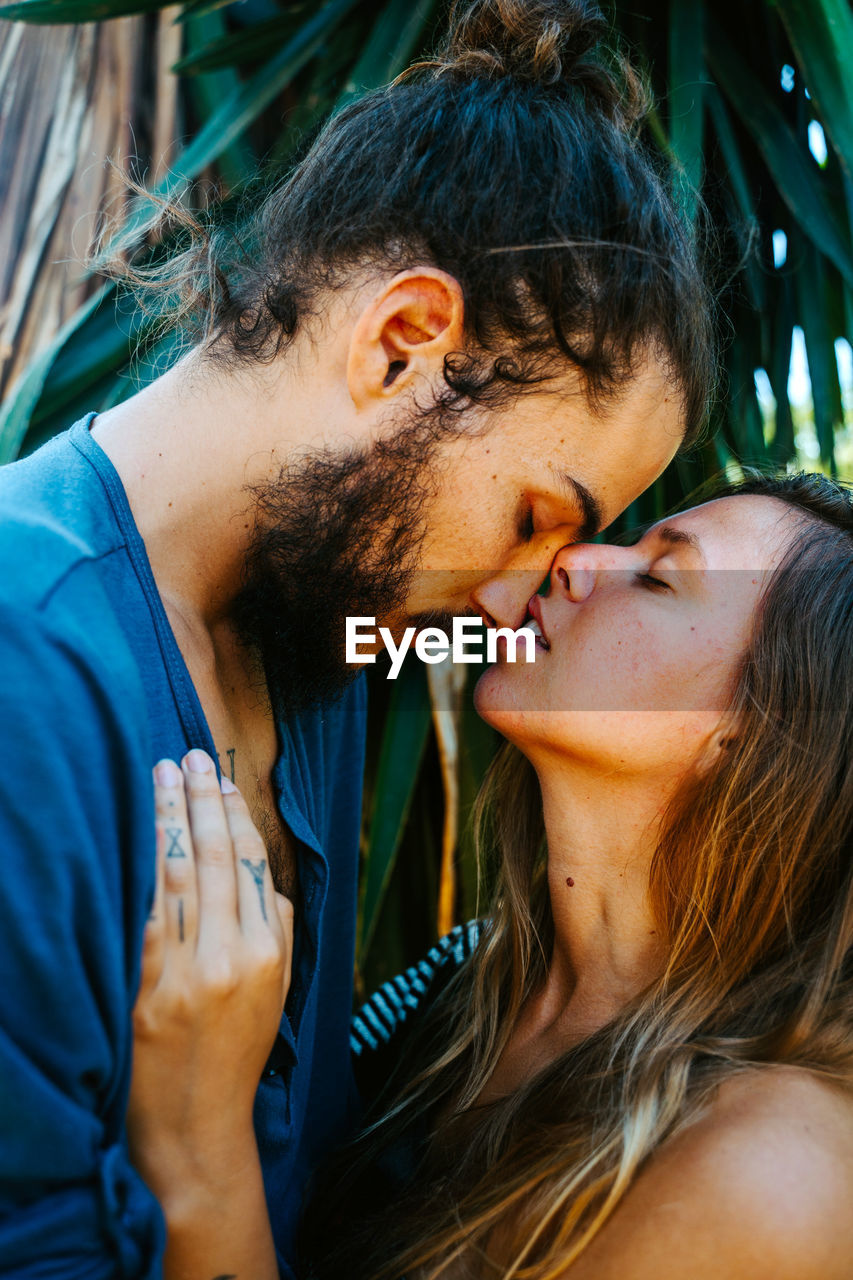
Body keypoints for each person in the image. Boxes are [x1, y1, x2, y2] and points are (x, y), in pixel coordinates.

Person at [0, 2, 712, 1276]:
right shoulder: (29, 672)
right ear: (402, 344)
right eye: (536, 519)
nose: (515, 604)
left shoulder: (318, 630)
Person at [129, 472, 853, 1280]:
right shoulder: (458, 982)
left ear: (758, 737)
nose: (576, 560)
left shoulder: (771, 1175)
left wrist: (199, 1154)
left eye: (657, 576)